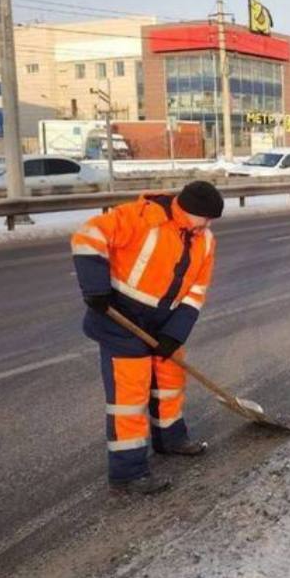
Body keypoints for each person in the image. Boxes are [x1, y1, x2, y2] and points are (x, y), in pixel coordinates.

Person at [70, 181, 223, 494]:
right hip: (120, 319)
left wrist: (174, 333)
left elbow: (195, 293)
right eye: (204, 219)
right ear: (186, 210)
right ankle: (128, 472)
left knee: (170, 382)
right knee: (130, 398)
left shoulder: (204, 241)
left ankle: (171, 440)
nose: (207, 226)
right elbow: (88, 236)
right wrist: (96, 289)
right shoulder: (142, 217)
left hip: (165, 323)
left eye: (211, 221)